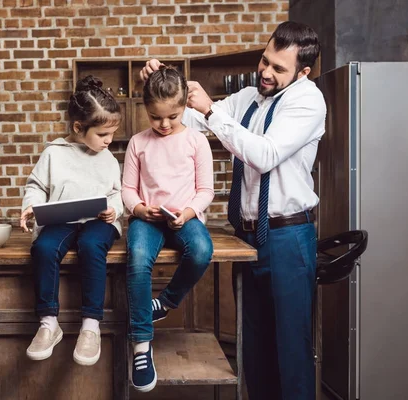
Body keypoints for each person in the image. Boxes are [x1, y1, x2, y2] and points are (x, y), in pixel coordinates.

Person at [141, 21, 326, 400]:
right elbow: (188, 119)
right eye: (265, 61)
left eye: (279, 68)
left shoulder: (308, 100)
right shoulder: (247, 99)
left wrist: (211, 111)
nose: (266, 72)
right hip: (247, 236)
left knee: (291, 350)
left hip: (288, 237)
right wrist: (165, 88)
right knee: (253, 349)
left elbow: (265, 155)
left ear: (303, 73)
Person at [122, 66, 215, 392]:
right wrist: (138, 209)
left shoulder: (196, 141)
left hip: (184, 217)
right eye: (155, 117)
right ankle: (141, 345)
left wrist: (188, 212)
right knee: (136, 258)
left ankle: (165, 302)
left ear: (185, 108)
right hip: (147, 219)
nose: (163, 124)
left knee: (202, 250)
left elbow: (206, 190)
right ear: (146, 110)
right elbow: (127, 190)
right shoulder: (138, 142)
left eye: (172, 117)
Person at [20, 75, 123, 367]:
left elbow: (118, 194)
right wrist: (31, 207)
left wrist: (113, 210)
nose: (108, 141)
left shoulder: (108, 159)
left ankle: (91, 326)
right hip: (62, 219)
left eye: (111, 134)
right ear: (79, 128)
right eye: (102, 134)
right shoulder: (54, 153)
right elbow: (36, 187)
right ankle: (48, 323)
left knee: (92, 246)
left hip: (98, 221)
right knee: (43, 248)